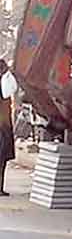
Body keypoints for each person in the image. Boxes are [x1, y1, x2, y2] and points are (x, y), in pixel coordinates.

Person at [0, 59, 17, 197]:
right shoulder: (3, 83)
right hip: (2, 126)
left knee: (2, 159)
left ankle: (0, 187)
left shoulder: (4, 82)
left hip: (4, 124)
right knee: (2, 159)